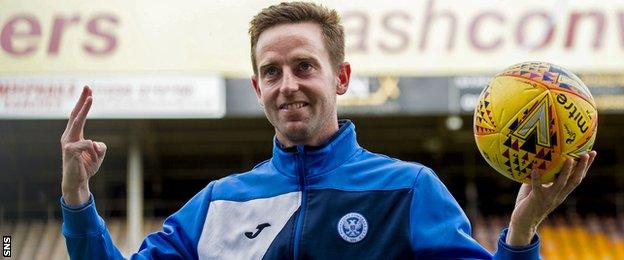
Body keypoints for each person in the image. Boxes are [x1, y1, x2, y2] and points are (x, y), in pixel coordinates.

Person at [59, 2, 597, 259]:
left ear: (340, 77)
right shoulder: (217, 205)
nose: (287, 84)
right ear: (257, 88)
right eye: (271, 72)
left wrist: (522, 231)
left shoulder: (410, 190)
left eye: (304, 67)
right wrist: (78, 200)